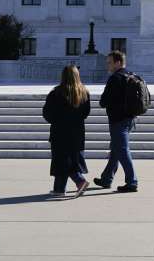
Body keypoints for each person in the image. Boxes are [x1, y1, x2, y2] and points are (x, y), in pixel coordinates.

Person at [42, 65, 90, 197]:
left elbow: (47, 113)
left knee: (61, 160)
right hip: (77, 132)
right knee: (69, 160)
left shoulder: (56, 93)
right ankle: (59, 188)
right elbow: (86, 113)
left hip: (60, 131)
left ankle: (79, 181)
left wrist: (57, 119)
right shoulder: (84, 93)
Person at [94, 51, 139, 193]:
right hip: (130, 118)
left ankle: (132, 181)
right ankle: (107, 178)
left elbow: (104, 101)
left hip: (118, 120)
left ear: (118, 62)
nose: (107, 65)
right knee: (116, 149)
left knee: (122, 150)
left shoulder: (115, 78)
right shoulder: (131, 75)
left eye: (110, 62)